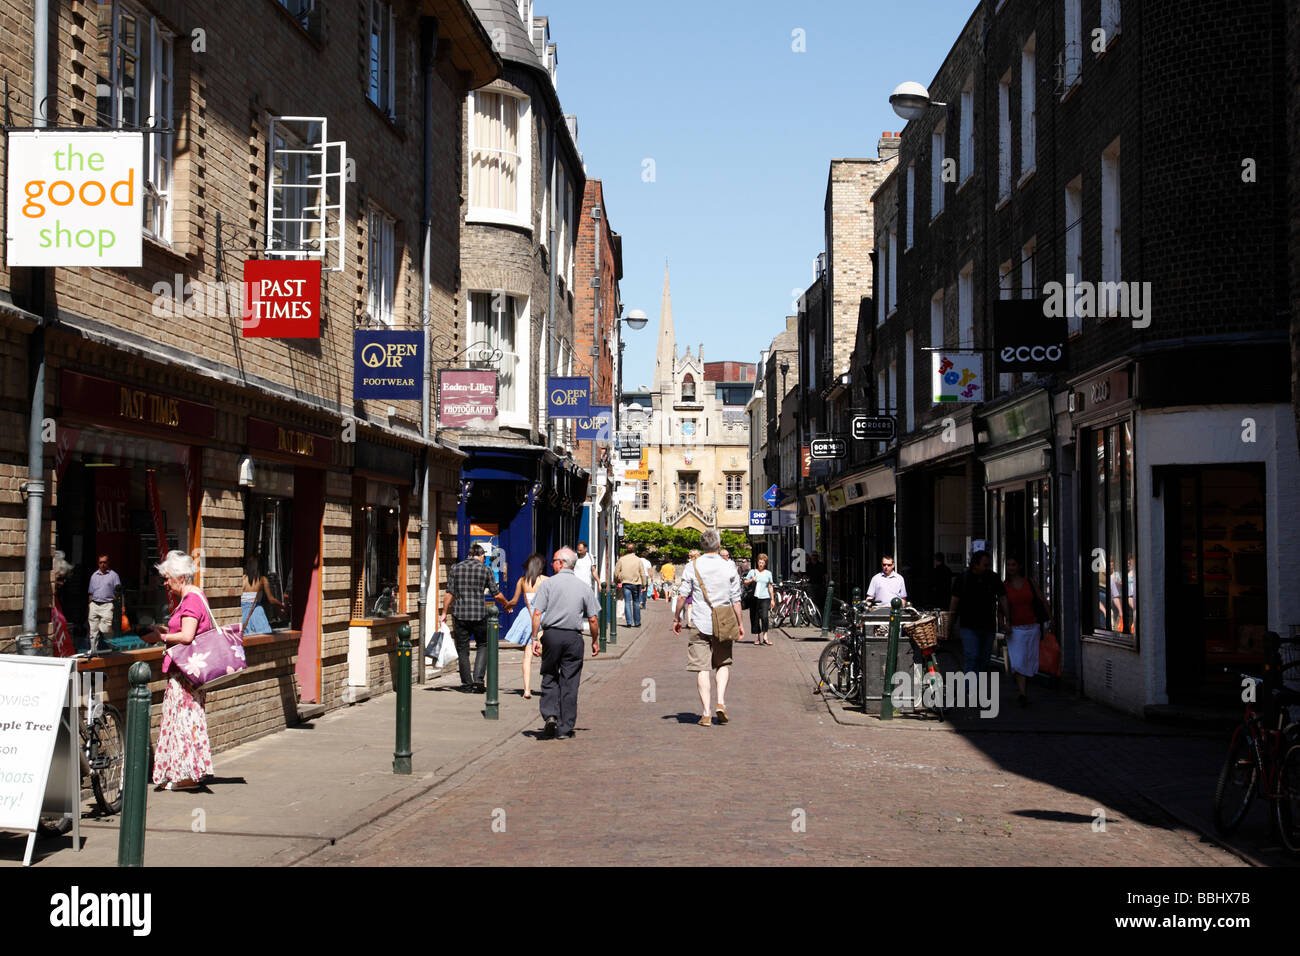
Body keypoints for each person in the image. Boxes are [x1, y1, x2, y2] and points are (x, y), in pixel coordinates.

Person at [139, 551, 213, 791]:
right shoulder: (194, 595)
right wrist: (162, 629)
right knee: (185, 722)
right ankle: (185, 773)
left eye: (168, 578)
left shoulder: (191, 599)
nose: (165, 583)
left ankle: (187, 777)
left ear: (181, 577)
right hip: (186, 673)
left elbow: (187, 635)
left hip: (185, 675)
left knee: (184, 722)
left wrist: (160, 637)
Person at [674, 529, 744, 726]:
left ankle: (705, 713)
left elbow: (682, 595)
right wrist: (739, 623)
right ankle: (720, 702)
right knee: (723, 663)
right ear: (719, 545)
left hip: (700, 620)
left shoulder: (692, 565)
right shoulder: (729, 566)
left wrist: (676, 617)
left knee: (702, 668)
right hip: (724, 620)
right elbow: (736, 599)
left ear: (702, 546)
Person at [530, 547, 600, 739]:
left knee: (550, 675)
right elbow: (593, 619)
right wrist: (595, 641)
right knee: (570, 682)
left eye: (554, 560)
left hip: (551, 636)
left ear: (561, 563)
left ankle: (550, 714)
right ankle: (565, 727)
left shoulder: (548, 584)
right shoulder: (584, 587)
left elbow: (537, 614)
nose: (551, 563)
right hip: (573, 638)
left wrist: (534, 638)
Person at [440, 543, 511, 693]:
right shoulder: (486, 570)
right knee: (483, 645)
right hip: (479, 614)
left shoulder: (455, 568)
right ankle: (478, 679)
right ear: (480, 555)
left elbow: (449, 593)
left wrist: (444, 612)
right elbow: (496, 594)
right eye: (484, 557)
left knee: (463, 650)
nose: (484, 560)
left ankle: (466, 685)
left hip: (460, 615)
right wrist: (506, 604)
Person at [949, 550, 1010, 677]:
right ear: (975, 564)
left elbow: (1002, 597)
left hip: (988, 625)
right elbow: (954, 601)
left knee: (984, 659)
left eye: (988, 565)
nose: (987, 568)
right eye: (985, 565)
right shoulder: (964, 578)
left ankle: (978, 687)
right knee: (972, 656)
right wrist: (951, 622)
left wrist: (1007, 618)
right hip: (968, 625)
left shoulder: (993, 577)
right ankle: (969, 688)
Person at [1003, 556, 1052, 708]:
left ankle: (1023, 690)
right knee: (1017, 662)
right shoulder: (1004, 585)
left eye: (1013, 564)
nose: (1011, 567)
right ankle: (1022, 693)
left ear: (1019, 566)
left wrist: (1050, 619)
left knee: (1029, 660)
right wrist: (1003, 623)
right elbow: (1000, 606)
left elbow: (1041, 599)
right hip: (1015, 629)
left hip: (1032, 626)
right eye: (1009, 564)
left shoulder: (1029, 582)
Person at [504, 553, 546, 699]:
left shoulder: (522, 581)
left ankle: (527, 690)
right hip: (543, 617)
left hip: (527, 618)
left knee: (527, 655)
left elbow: (514, 601)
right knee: (546, 654)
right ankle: (548, 687)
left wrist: (506, 605)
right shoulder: (546, 580)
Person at [240, 556, 284, 636]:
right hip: (255, 612)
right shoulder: (262, 579)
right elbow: (271, 599)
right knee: (261, 637)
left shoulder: (242, 578)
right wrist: (281, 605)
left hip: (241, 612)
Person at [87, 553, 121, 656]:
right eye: (100, 562)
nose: (102, 564)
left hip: (107, 604)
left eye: (104, 562)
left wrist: (121, 605)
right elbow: (91, 593)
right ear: (98, 563)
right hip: (94, 604)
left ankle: (112, 646)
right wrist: (89, 606)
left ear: (108, 563)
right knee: (93, 630)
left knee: (105, 628)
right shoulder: (94, 575)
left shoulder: (114, 575)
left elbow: (119, 591)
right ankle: (93, 650)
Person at [744, 553, 774, 645]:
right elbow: (745, 582)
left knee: (765, 617)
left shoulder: (768, 573)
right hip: (754, 598)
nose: (761, 564)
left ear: (765, 564)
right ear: (757, 562)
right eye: (759, 562)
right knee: (755, 617)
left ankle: (765, 636)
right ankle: (757, 637)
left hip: (765, 598)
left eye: (763, 562)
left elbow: (770, 586)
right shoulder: (752, 572)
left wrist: (772, 599)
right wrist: (751, 580)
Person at [614, 544, 646, 627]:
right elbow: (642, 573)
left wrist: (617, 580)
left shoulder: (621, 559)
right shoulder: (638, 560)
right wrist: (644, 584)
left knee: (627, 602)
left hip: (626, 583)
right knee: (636, 602)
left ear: (626, 550)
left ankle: (629, 622)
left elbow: (616, 572)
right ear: (634, 550)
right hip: (636, 583)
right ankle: (637, 622)